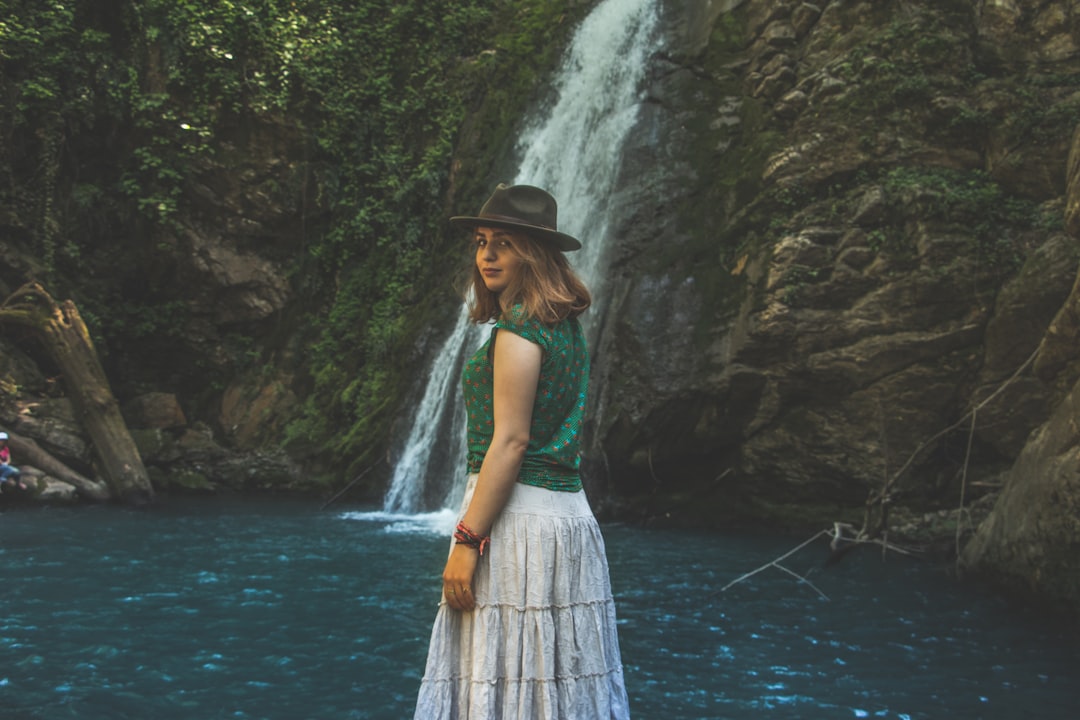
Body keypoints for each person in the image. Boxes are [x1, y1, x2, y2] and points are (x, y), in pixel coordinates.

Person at [414, 184, 630, 719]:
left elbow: (510, 442)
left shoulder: (518, 331)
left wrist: (467, 541)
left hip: (513, 528)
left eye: (504, 243)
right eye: (482, 241)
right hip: (567, 521)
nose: (486, 255)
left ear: (532, 253)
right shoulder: (565, 329)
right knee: (557, 687)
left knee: (500, 682)